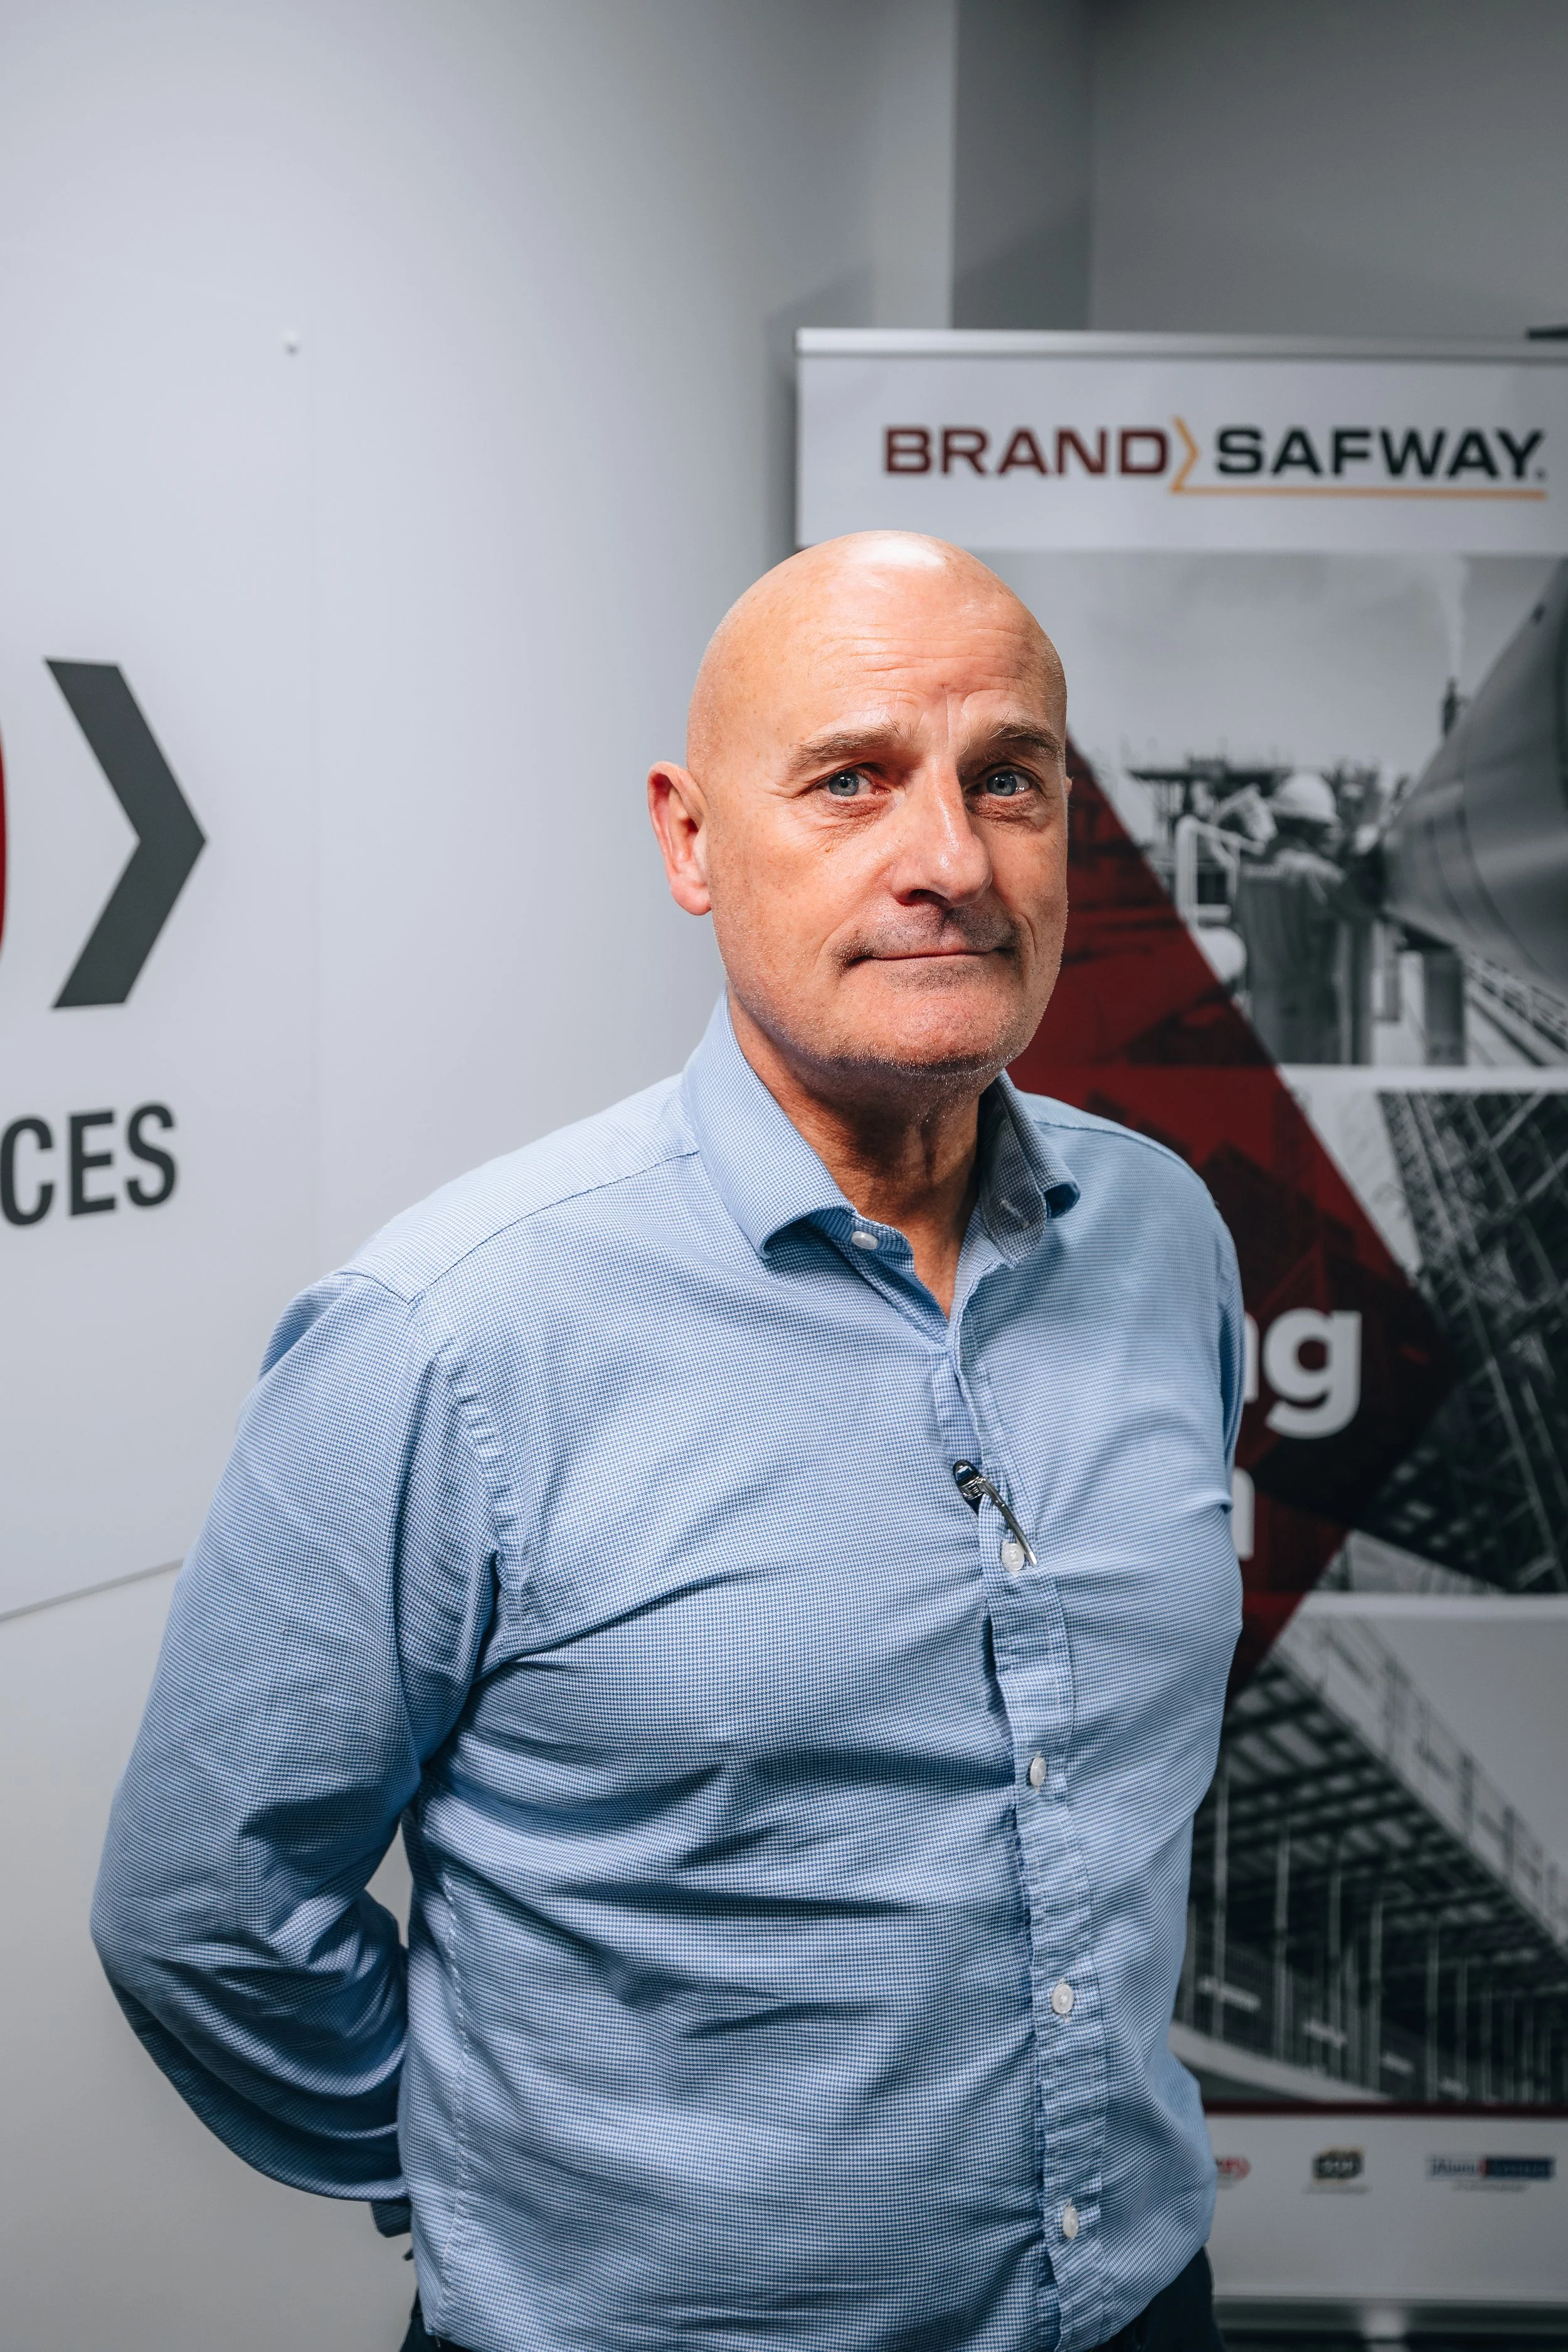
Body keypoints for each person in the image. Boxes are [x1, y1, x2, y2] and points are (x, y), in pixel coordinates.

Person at [94, 532, 1245, 2352]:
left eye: (1004, 778)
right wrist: (498, 2185)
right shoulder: (452, 1336)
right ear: (691, 836)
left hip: (1132, 2303)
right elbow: (204, 1909)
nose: (945, 858)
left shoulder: (1169, 1236)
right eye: (852, 778)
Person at [1232, 770, 1355, 1063]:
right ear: (1311, 828)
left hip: (1262, 1006)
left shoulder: (1247, 871)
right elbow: (1361, 901)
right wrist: (1363, 835)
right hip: (1308, 1014)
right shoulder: (1312, 874)